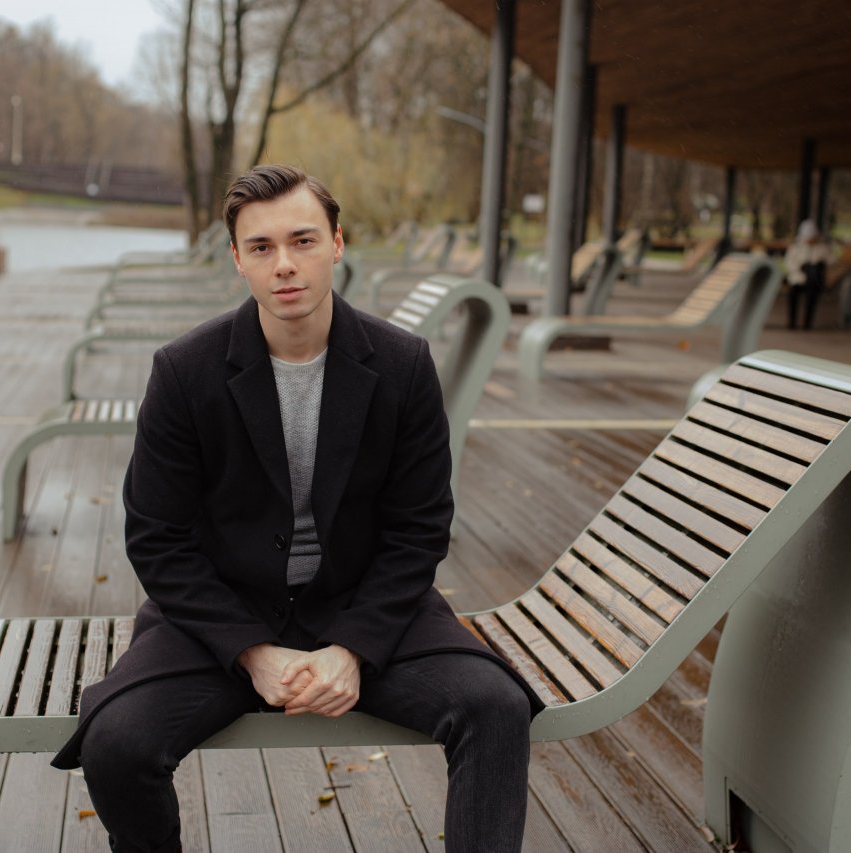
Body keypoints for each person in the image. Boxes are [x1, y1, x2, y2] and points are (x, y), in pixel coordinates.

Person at [51, 164, 542, 853]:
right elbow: (158, 537)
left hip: (365, 604)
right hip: (225, 614)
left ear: (336, 244)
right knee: (117, 742)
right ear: (238, 259)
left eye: (303, 240)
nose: (284, 264)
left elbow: (419, 527)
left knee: (495, 706)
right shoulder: (185, 371)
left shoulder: (402, 365)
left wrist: (354, 648)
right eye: (262, 247)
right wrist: (251, 653)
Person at [784, 219, 832, 330]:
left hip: (813, 281)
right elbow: (789, 263)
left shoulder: (821, 248)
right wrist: (800, 269)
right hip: (797, 279)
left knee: (812, 296)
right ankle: (792, 322)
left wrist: (818, 264)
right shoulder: (796, 247)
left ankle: (807, 323)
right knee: (793, 295)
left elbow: (831, 261)